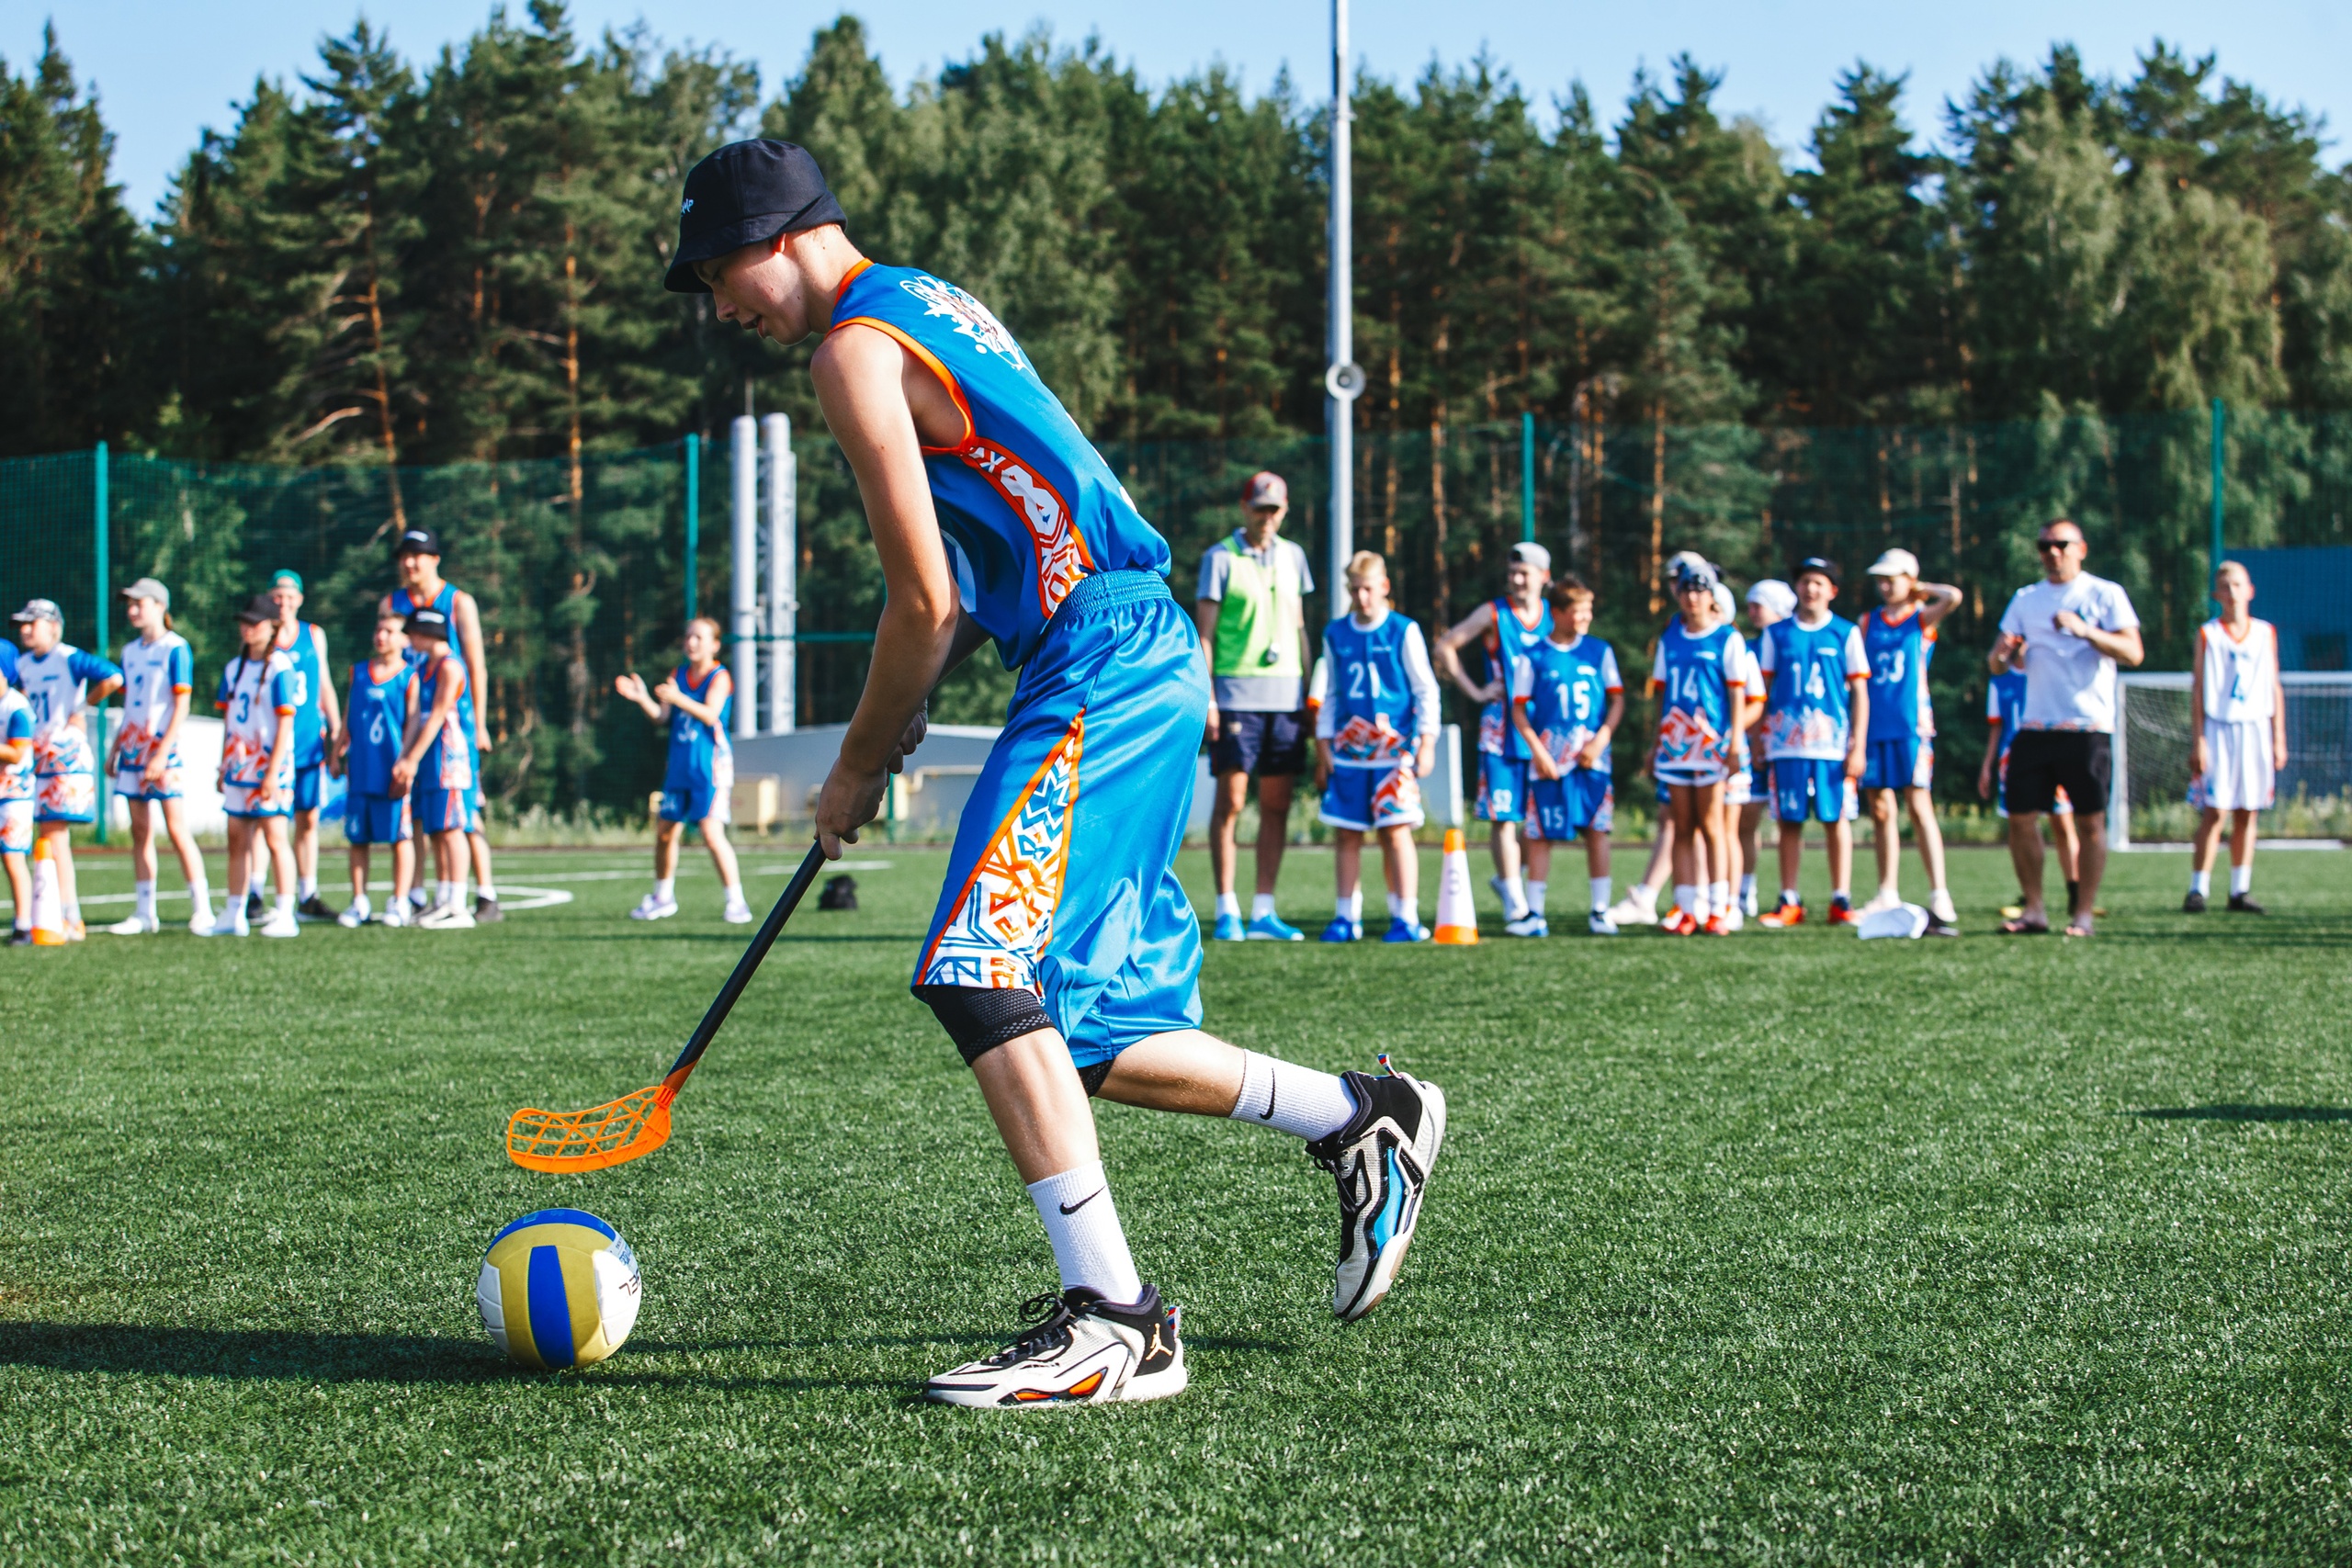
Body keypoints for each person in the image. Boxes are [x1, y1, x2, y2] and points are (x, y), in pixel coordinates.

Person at [671, 138, 1446, 1406]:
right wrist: (913, 694)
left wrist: (857, 762)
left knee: (979, 969)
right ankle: (1360, 1114)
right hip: (1124, 646)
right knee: (1077, 1028)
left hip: (1101, 661)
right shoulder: (924, 300)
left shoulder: (850, 350)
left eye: (716, 276)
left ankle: (1122, 1319)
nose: (720, 309)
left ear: (775, 237)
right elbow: (996, 540)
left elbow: (920, 596)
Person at [1993, 518, 2144, 937]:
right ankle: (2035, 910)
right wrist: (2005, 654)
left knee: (2089, 823)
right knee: (2021, 818)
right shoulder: (2026, 599)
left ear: (2081, 548)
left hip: (2087, 726)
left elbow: (2133, 652)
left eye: (2060, 544)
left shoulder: (2104, 594)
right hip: (2035, 725)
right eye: (2044, 546)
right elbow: (1995, 662)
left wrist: (2086, 631)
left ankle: (2083, 914)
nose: (2052, 553)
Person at [1196, 471, 1313, 942]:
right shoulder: (1219, 558)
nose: (1267, 517)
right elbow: (1204, 634)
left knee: (1277, 803)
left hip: (1287, 696)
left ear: (1284, 512)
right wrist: (1208, 698)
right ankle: (1228, 908)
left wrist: (1310, 691)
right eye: (1259, 508)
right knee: (1233, 802)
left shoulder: (1295, 556)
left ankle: (1264, 909)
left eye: (1275, 509)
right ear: (1245, 509)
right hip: (1236, 695)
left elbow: (1300, 627)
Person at [1311, 551, 1442, 944]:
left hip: (1394, 753)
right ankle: (1346, 917)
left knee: (1396, 832)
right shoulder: (1336, 633)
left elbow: (1425, 689)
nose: (1361, 598)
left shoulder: (1404, 630)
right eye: (1354, 590)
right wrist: (1323, 747)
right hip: (1349, 755)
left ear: (1384, 587)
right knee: (1347, 835)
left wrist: (1428, 741)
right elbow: (1331, 693)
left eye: (1368, 589)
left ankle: (1406, 917)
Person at [381, 530, 501, 922]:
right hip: (412, 723)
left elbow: (476, 664)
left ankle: (481, 894)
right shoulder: (392, 602)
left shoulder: (458, 602)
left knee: (461, 814)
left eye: (418, 555)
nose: (410, 563)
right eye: (405, 556)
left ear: (435, 558)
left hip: (452, 727)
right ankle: (420, 894)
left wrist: (480, 723)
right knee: (420, 812)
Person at [1432, 541, 1553, 927]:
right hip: (1501, 727)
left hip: (1543, 728)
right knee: (1504, 814)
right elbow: (1446, 644)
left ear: (1543, 577)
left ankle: (1520, 886)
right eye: (1513, 573)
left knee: (1537, 817)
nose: (1517, 579)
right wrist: (1476, 690)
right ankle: (1514, 898)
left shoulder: (1555, 617)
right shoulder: (1494, 613)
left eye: (1525, 573)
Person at [615, 616, 752, 925]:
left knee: (711, 832)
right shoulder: (678, 674)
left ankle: (737, 902)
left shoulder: (719, 676)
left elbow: (710, 714)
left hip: (710, 767)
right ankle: (662, 898)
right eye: (688, 636)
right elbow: (662, 718)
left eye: (698, 638)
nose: (690, 642)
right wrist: (642, 699)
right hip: (679, 766)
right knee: (665, 832)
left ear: (714, 645)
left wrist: (678, 698)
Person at [1754, 558, 1868, 928]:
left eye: (1819, 582)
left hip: (1832, 745)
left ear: (1832, 591)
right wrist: (1757, 738)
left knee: (1837, 820)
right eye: (1805, 581)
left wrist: (1858, 745)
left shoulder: (1846, 633)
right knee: (1790, 821)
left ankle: (1841, 898)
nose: (1811, 589)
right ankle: (1789, 898)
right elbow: (1763, 691)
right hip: (1786, 744)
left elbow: (1861, 693)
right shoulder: (1777, 634)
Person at [1509, 577, 1623, 937]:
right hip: (1550, 761)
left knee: (1596, 830)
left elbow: (1617, 700)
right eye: (1578, 611)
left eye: (1589, 610)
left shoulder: (1599, 651)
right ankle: (1534, 913)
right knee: (1540, 834)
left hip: (1591, 759)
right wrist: (1538, 751)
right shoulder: (1534, 656)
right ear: (1557, 612)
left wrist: (1601, 740)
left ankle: (1600, 910)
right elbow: (1519, 711)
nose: (1585, 617)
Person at [1858, 549, 1962, 936]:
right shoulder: (1868, 621)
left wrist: (1920, 589)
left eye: (1893, 578)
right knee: (1881, 809)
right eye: (1880, 579)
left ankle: (1939, 892)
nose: (1885, 585)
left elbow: (1952, 597)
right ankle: (1887, 889)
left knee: (1918, 804)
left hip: (1911, 727)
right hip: (1874, 727)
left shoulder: (1920, 619)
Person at [1647, 559, 1753, 934]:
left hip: (1712, 744)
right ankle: (1687, 906)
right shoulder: (1671, 637)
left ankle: (1719, 906)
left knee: (1713, 826)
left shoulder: (1727, 638)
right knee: (1681, 826)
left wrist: (1735, 740)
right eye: (1687, 590)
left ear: (1712, 596)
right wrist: (1654, 740)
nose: (1692, 597)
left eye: (1700, 590)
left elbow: (1738, 694)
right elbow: (1660, 693)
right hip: (1677, 745)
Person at [105, 578, 212, 935]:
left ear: (160, 606)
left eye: (140, 603)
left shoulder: (176, 648)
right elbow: (131, 703)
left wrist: (162, 754)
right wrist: (115, 747)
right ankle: (144, 911)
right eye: (130, 604)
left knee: (176, 829)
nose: (133, 609)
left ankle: (203, 908)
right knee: (140, 831)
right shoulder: (130, 651)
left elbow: (181, 704)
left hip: (163, 752)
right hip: (133, 750)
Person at [12, 598, 122, 942]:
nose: (25, 630)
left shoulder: (68, 657)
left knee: (55, 835)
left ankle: (70, 916)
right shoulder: (24, 664)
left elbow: (113, 678)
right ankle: (52, 913)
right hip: (38, 757)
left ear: (54, 627)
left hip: (64, 757)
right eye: (23, 624)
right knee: (45, 837)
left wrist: (83, 706)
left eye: (34, 623)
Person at [2184, 561, 2285, 914]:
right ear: (2216, 595)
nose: (2232, 593)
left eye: (2238, 585)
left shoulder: (2265, 632)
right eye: (2225, 587)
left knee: (2248, 811)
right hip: (2220, 728)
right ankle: (2198, 889)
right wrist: (2198, 739)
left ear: (2250, 590)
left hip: (2255, 728)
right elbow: (2198, 688)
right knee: (2215, 811)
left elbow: (2274, 686)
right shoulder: (2209, 633)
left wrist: (2278, 737)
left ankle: (2239, 890)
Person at [203, 595, 300, 939]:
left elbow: (285, 722)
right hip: (239, 766)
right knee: (236, 838)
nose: (247, 629)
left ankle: (286, 911)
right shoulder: (234, 668)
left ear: (272, 626)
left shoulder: (281, 668)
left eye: (255, 623)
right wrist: (222, 764)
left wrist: (273, 772)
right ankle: (234, 911)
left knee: (275, 837)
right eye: (244, 623)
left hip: (270, 765)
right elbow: (230, 720)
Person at [250, 570, 342, 922]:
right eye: (277, 597)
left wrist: (336, 729)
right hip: (272, 744)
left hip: (306, 741)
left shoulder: (313, 635)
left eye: (290, 597)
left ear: (300, 600)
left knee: (307, 818)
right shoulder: (261, 636)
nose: (283, 603)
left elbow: (325, 685)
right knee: (265, 819)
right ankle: (255, 893)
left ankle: (307, 892)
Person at [394, 607, 480, 931]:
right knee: (437, 829)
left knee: (453, 829)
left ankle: (458, 905)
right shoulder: (425, 667)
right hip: (430, 758)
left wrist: (411, 758)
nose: (409, 639)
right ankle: (443, 898)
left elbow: (440, 715)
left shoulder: (450, 666)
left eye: (413, 632)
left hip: (450, 759)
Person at [333, 608, 418, 928]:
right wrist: (338, 750)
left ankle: (399, 900)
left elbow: (412, 722)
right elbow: (348, 715)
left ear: (404, 639)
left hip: (391, 769)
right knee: (358, 838)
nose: (381, 636)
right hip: (361, 768)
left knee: (400, 836)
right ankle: (359, 902)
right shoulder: (359, 672)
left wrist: (408, 760)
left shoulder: (409, 676)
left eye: (390, 631)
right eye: (379, 630)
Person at [1979, 649, 2080, 920]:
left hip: (2049, 754)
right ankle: (2031, 894)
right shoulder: (1999, 679)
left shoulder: (2047, 673)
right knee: (2020, 823)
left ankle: (2075, 890)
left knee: (2062, 822)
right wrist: (1987, 765)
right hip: (2012, 761)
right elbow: (1996, 727)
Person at [1736, 580, 1794, 917]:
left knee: (1792, 820)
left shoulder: (1790, 644)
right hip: (1754, 745)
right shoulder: (1748, 647)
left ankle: (1791, 893)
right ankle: (1744, 888)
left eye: (1760, 604)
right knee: (1744, 823)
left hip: (1789, 744)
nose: (1753, 611)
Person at [1, 661, 31, 945]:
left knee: (12, 856)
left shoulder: (17, 707)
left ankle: (23, 925)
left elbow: (16, 753)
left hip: (16, 794)